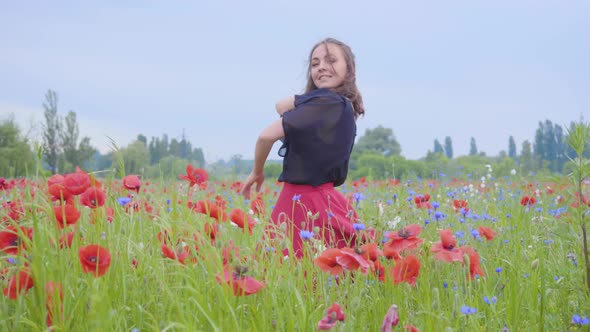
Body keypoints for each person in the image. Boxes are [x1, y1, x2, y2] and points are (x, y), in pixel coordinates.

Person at [241, 37, 367, 258]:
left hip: (301, 203)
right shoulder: (338, 105)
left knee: (288, 274)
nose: (322, 67)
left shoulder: (327, 103)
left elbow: (265, 136)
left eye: (331, 60)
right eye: (315, 63)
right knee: (331, 277)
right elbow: (280, 105)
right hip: (328, 201)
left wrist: (257, 171)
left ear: (348, 68)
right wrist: (312, 98)